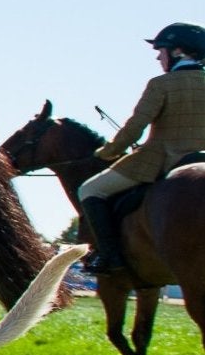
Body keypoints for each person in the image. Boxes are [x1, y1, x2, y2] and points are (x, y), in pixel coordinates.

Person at [80, 22, 205, 274]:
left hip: (160, 161)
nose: (159, 57)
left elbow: (135, 128)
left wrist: (108, 152)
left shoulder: (161, 84)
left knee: (89, 190)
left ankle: (110, 257)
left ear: (179, 51)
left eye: (162, 50)